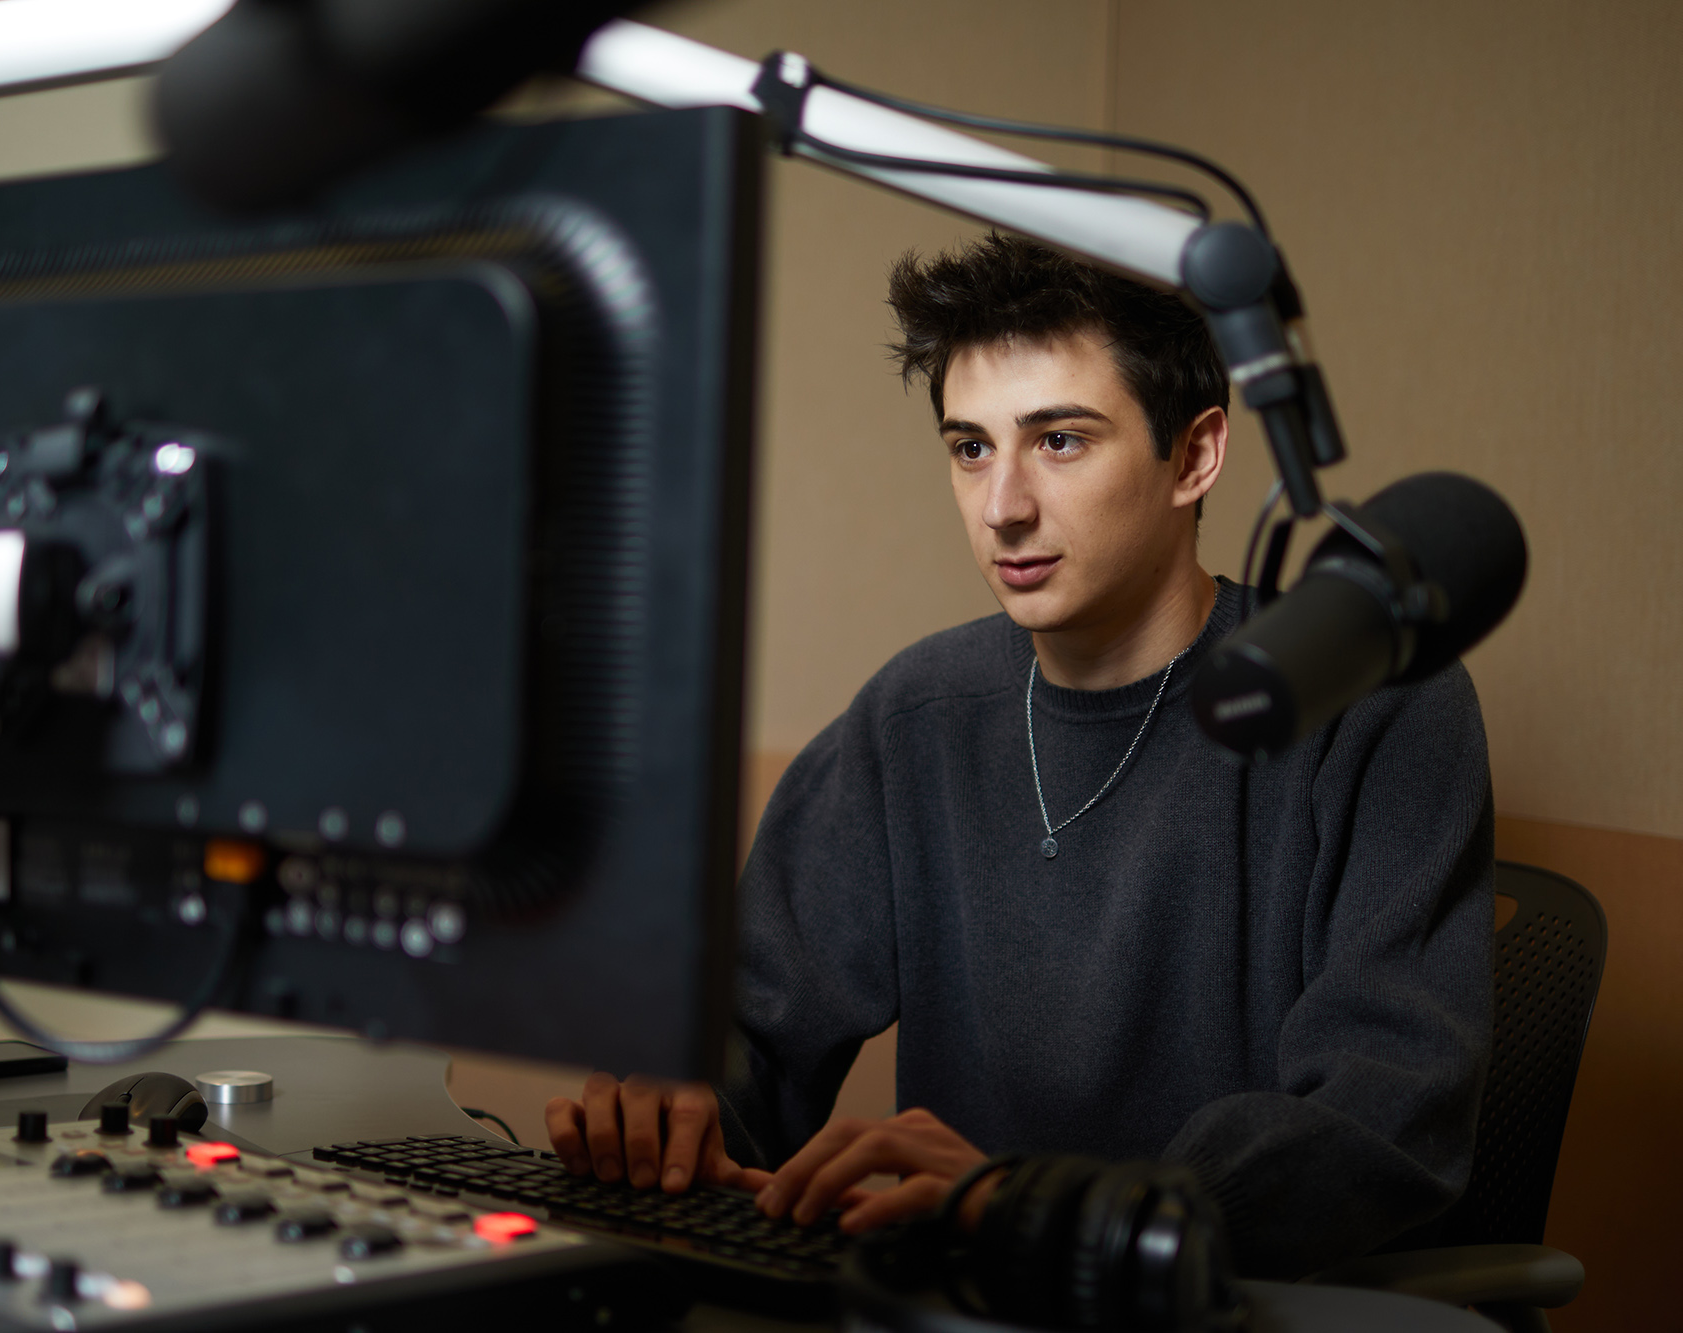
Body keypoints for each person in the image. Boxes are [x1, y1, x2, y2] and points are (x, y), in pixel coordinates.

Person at [545, 233, 1493, 1279]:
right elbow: (748, 1029)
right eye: (969, 448)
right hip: (973, 1301)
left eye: (1058, 441)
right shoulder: (917, 713)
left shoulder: (1374, 702)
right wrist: (677, 1103)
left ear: (1194, 455)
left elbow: (1385, 1112)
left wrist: (1055, 1210)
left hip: (1228, 1303)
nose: (1001, 506)